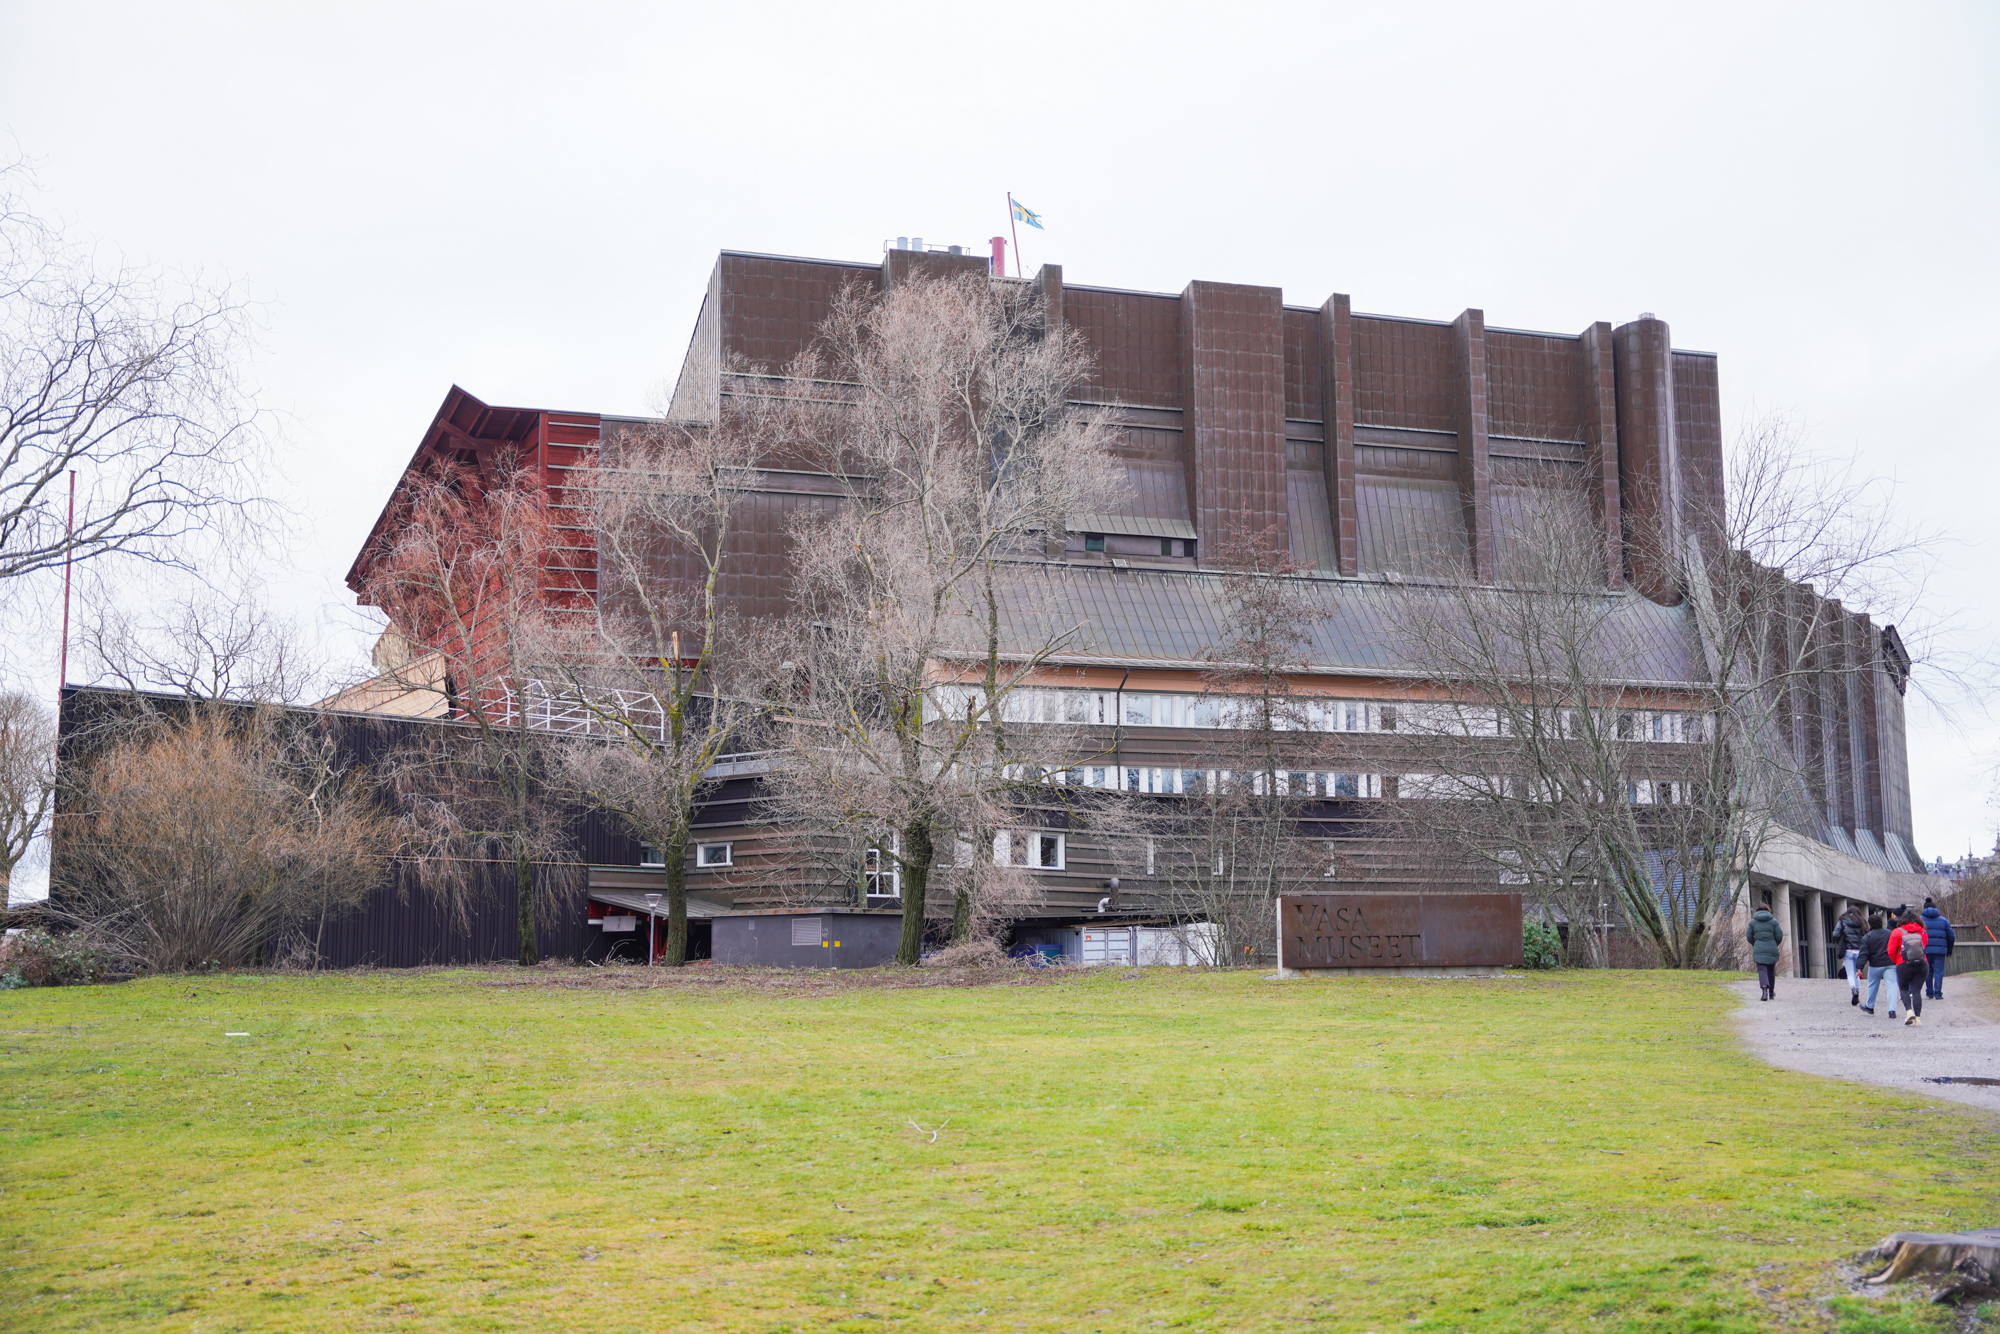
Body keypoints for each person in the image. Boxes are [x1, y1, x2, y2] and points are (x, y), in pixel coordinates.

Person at [1890, 912, 1928, 1027]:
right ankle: (1918, 1018)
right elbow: (1924, 946)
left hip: (1903, 963)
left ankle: (1909, 1011)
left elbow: (1891, 950)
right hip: (1922, 964)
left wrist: (1896, 961)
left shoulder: (1897, 932)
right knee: (1916, 991)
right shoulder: (1922, 931)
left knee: (1904, 988)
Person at [1747, 894, 1784, 1001]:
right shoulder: (1773, 921)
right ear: (1768, 910)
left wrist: (1756, 943)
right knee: (1771, 971)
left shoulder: (1753, 922)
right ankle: (1771, 993)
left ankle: (1764, 991)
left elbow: (1749, 936)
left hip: (1759, 948)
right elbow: (1779, 936)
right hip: (1772, 948)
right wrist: (1774, 944)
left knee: (1762, 970)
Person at [1829, 904, 1868, 1007]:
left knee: (1850, 973)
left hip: (1848, 950)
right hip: (1859, 951)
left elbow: (1835, 934)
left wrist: (1841, 940)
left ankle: (1853, 990)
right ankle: (1858, 993)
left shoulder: (1842, 921)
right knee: (1857, 972)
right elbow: (1867, 934)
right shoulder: (1862, 921)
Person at [1860, 913, 1897, 1018]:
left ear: (1870, 924)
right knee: (1891, 986)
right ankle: (1892, 1010)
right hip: (1890, 963)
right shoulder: (1890, 933)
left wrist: (1859, 967)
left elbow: (1863, 954)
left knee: (1872, 985)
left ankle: (1870, 1006)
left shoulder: (1867, 937)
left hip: (1875, 964)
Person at [1920, 898, 1956, 1000]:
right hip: (1940, 951)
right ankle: (1938, 993)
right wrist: (1949, 949)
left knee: (1928, 971)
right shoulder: (1943, 921)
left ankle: (1929, 992)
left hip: (1924, 950)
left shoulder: (1919, 921)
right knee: (1939, 971)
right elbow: (1951, 936)